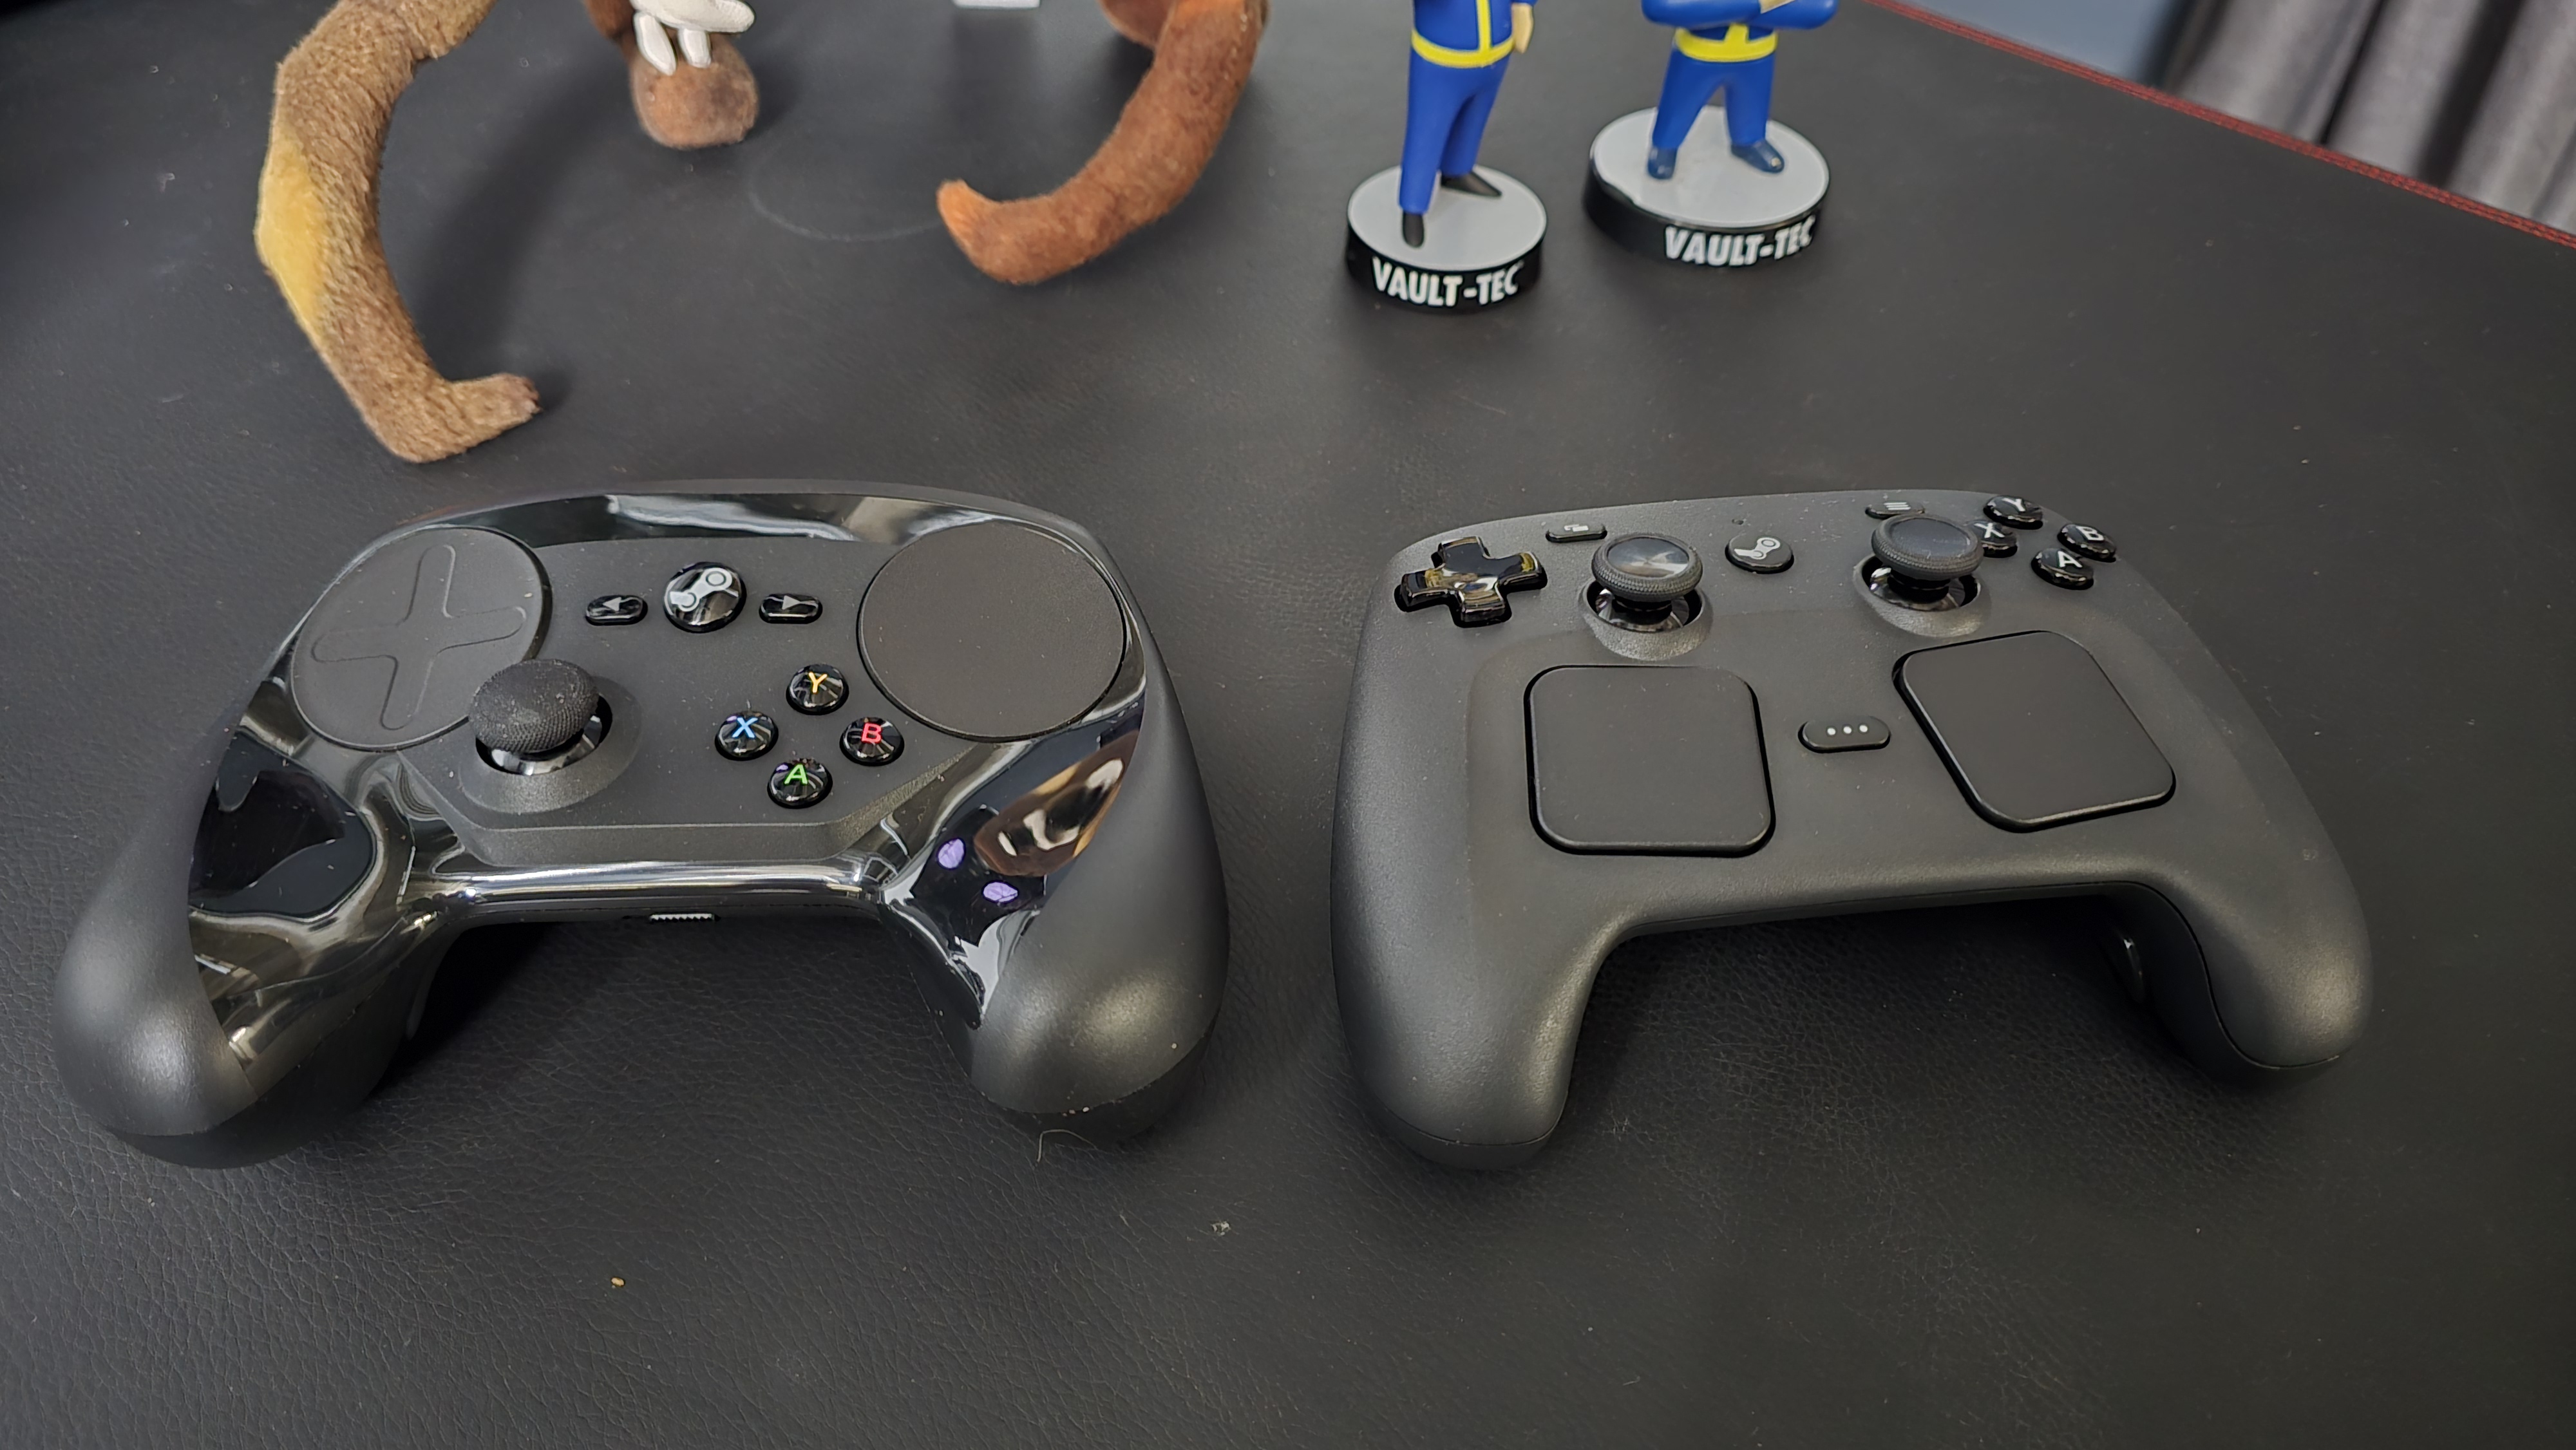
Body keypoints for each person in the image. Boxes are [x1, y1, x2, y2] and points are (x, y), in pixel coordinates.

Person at [1639, 0, 1835, 178]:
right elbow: (1664, 7)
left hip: (1757, 55)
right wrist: (1765, 5)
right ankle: (1665, 146)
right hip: (1699, 55)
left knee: (1752, 106)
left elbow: (1818, 9)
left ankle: (1749, 142)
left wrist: (1722, 9)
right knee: (1679, 105)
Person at [1400, 0, 1535, 246]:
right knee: (1426, 134)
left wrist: (1524, 4)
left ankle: (1458, 170)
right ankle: (1413, 205)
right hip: (1441, 62)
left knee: (1473, 122)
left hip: (1495, 58)